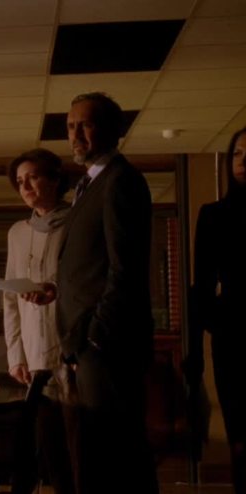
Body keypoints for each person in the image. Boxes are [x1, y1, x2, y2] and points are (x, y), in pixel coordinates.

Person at [33, 91, 158, 493]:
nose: (75, 135)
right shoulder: (89, 185)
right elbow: (94, 266)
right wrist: (58, 290)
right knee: (95, 455)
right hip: (88, 345)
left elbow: (126, 269)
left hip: (106, 347)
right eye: (70, 126)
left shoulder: (120, 181)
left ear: (112, 129)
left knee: (114, 460)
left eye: (84, 125)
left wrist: (94, 337)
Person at [3, 148, 74, 494]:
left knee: (81, 440)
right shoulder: (17, 232)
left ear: (54, 180)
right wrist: (15, 355)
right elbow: (10, 299)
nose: (26, 187)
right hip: (34, 353)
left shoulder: (76, 221)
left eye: (32, 177)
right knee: (49, 442)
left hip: (71, 344)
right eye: (20, 182)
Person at [186, 127, 246, 493]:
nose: (244, 161)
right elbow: (202, 286)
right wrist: (206, 336)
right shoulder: (215, 215)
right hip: (234, 335)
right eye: (237, 153)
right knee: (241, 438)